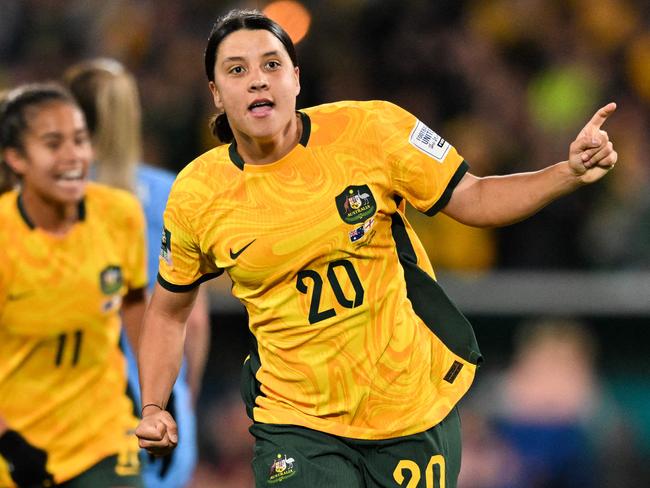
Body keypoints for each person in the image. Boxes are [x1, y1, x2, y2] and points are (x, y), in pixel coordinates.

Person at [135, 9, 618, 488]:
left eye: (271, 64)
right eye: (237, 70)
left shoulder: (375, 130)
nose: (258, 81)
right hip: (295, 420)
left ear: (296, 78)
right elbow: (169, 310)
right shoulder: (198, 192)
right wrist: (154, 405)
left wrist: (566, 172)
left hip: (409, 407)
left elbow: (474, 196)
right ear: (216, 94)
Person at [63, 58, 211, 488]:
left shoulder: (50, 201)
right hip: (158, 402)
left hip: (75, 402)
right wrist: (184, 395)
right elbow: (193, 320)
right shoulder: (171, 192)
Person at [0, 82, 146, 486]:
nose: (73, 156)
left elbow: (135, 303)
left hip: (105, 436)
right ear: (16, 158)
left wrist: (155, 403)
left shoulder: (119, 214)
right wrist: (9, 442)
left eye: (80, 140)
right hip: (16, 442)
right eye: (53, 143)